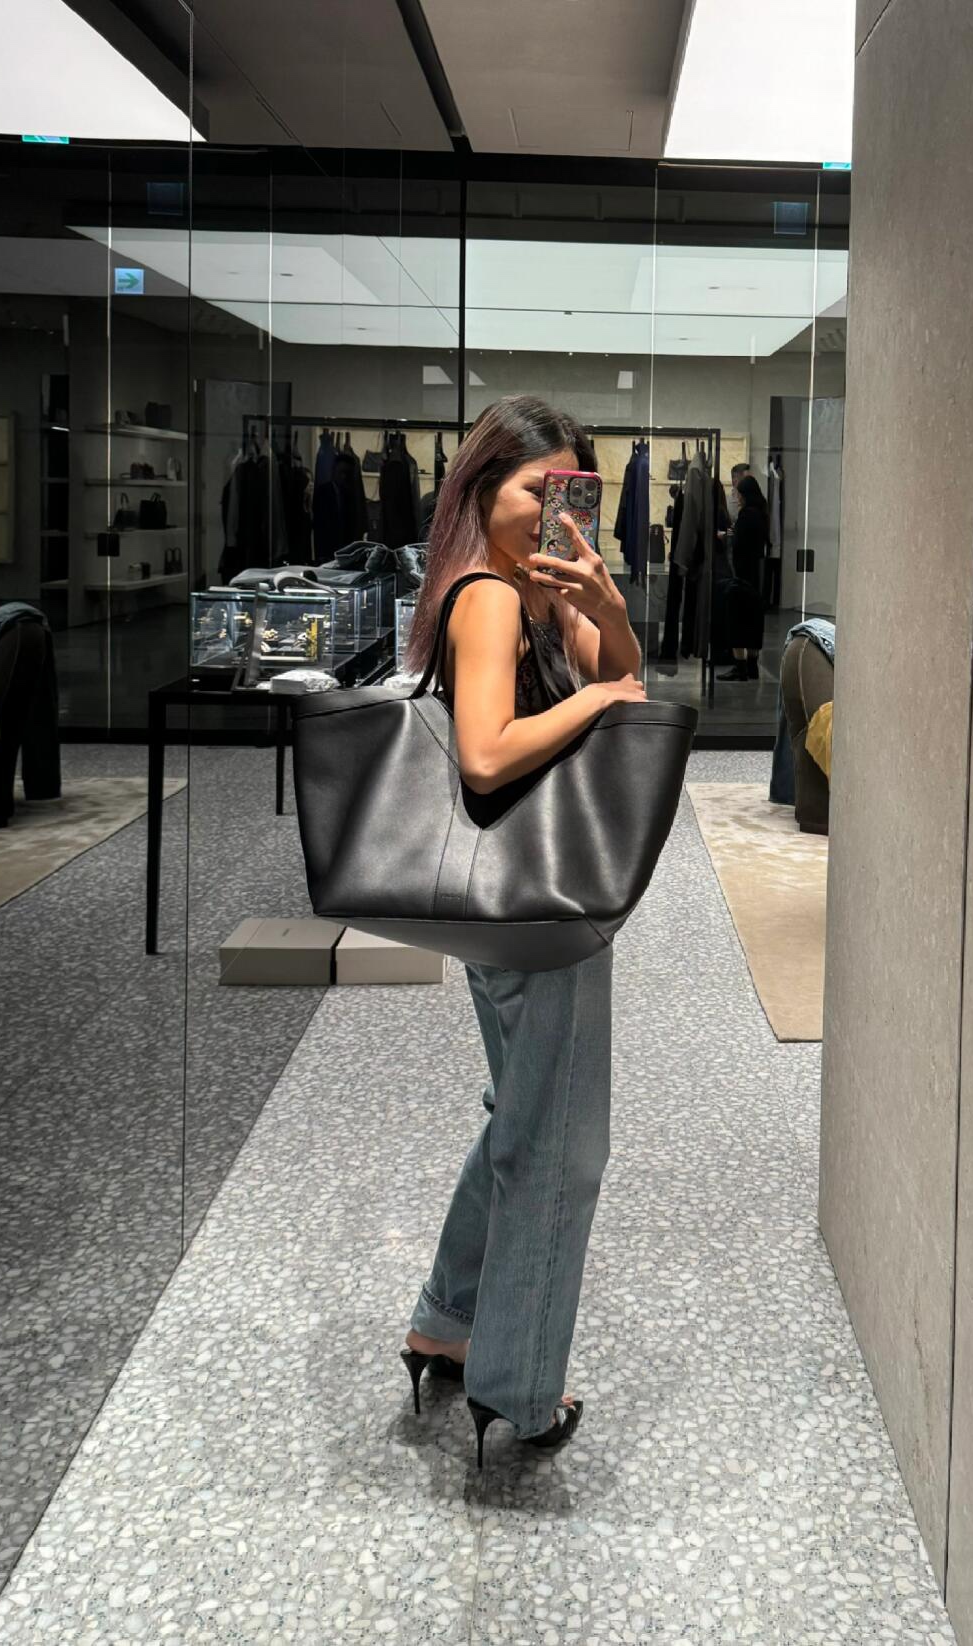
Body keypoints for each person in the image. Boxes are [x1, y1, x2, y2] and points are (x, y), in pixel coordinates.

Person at [399, 394, 645, 1465]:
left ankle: (447, 1325)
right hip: (539, 906)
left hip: (511, 899)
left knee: (521, 1111)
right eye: (537, 489)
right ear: (482, 486)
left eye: (572, 491)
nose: (555, 509)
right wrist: (595, 702)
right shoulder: (492, 597)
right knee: (563, 1144)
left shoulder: (536, 591)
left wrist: (605, 601)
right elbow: (488, 754)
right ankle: (519, 1388)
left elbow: (624, 673)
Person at [717, 473, 768, 681]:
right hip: (756, 577)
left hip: (742, 576)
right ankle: (752, 665)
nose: (736, 498)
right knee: (754, 621)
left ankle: (740, 667)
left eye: (738, 494)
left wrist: (729, 536)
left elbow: (739, 546)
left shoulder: (746, 515)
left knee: (737, 619)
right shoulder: (762, 514)